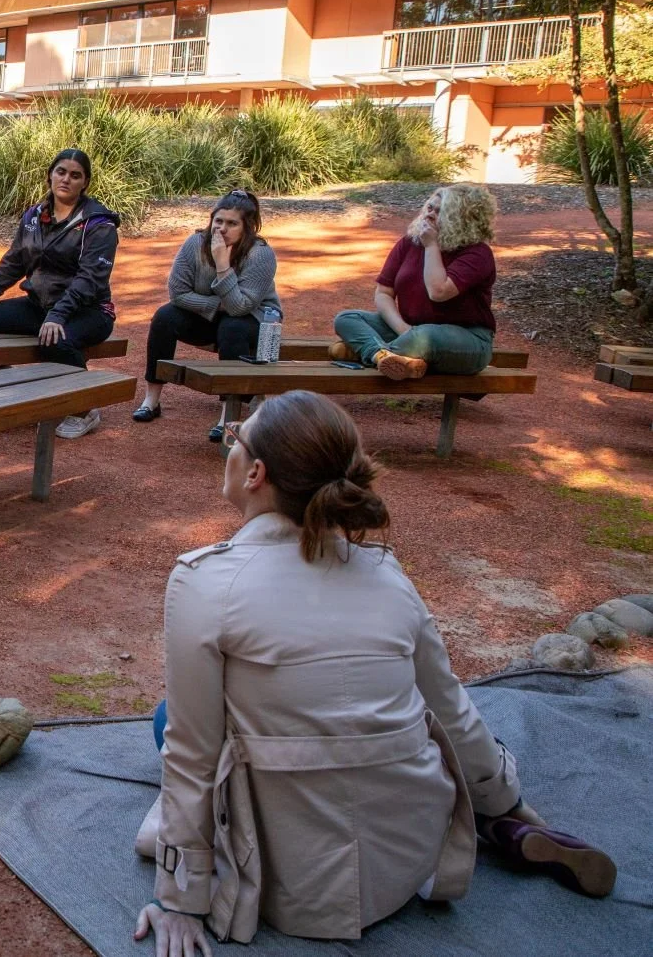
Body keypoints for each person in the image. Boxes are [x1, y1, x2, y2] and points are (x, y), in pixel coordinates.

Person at [133, 391, 615, 956]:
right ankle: (497, 826)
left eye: (235, 436)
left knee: (172, 721)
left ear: (256, 472)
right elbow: (450, 707)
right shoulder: (387, 574)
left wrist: (179, 899)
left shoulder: (203, 581)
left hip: (286, 879)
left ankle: (194, 843)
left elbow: (193, 751)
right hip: (409, 857)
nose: (229, 443)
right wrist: (504, 799)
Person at [0, 147, 119, 440]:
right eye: (61, 172)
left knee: (56, 340)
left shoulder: (98, 225)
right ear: (49, 176)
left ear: (85, 183)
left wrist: (57, 315)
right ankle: (13, 379)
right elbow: (14, 262)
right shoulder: (33, 216)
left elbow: (89, 279)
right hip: (39, 306)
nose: (66, 179)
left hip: (88, 312)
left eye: (75, 175)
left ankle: (85, 408)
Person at [135, 189, 281, 442]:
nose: (222, 229)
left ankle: (228, 411)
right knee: (164, 317)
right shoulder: (194, 243)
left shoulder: (261, 254)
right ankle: (152, 399)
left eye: (232, 223)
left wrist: (223, 264)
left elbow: (240, 308)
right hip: (210, 315)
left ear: (248, 227)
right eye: (219, 221)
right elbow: (178, 294)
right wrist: (216, 305)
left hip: (256, 320)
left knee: (232, 327)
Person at [333, 186, 498, 380]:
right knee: (347, 318)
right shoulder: (409, 243)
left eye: (440, 212)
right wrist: (403, 329)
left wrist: (431, 246)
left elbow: (438, 291)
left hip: (467, 340)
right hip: (411, 331)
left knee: (422, 337)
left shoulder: (477, 253)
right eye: (430, 207)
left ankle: (365, 352)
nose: (430, 214)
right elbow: (384, 293)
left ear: (462, 219)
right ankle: (383, 356)